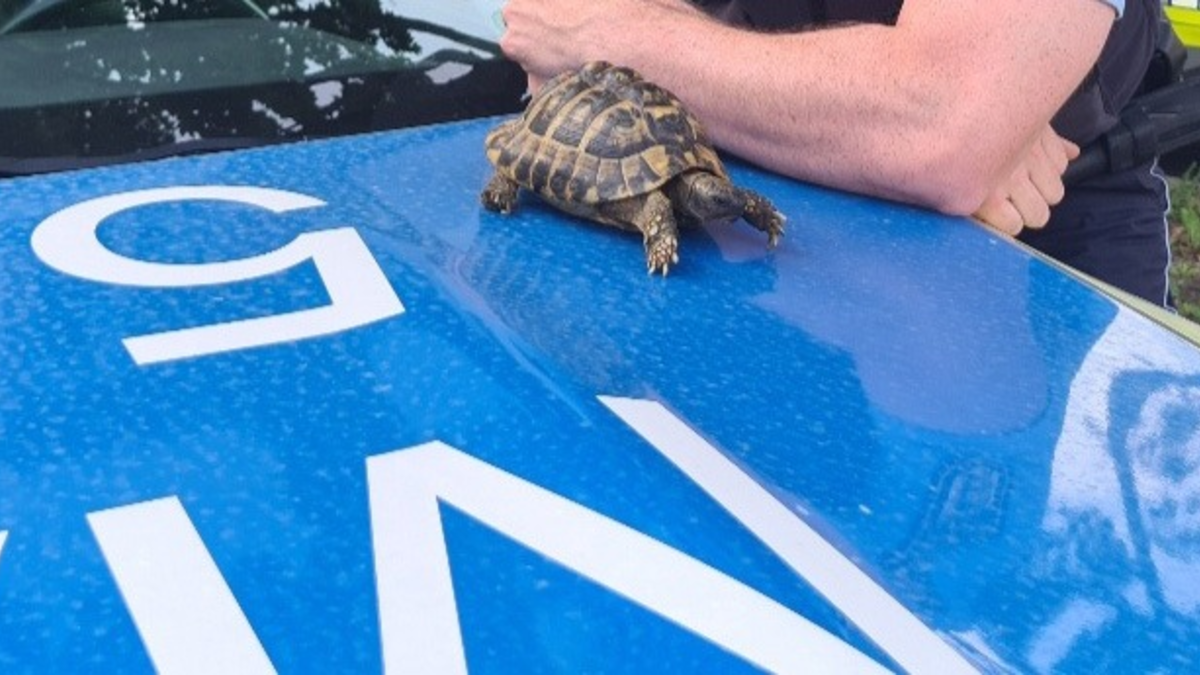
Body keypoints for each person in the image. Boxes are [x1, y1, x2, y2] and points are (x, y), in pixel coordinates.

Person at [497, 0, 1172, 307]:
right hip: (728, 260)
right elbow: (548, 32)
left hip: (1020, 283)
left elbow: (939, 122)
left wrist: (617, 35)